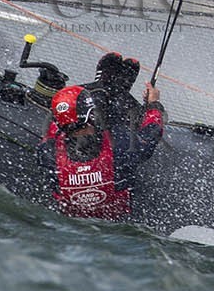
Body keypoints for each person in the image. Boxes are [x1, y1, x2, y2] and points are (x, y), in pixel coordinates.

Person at [37, 82, 164, 220]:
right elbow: (151, 134)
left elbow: (56, 130)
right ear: (90, 115)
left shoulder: (47, 153)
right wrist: (153, 105)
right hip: (119, 222)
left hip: (72, 224)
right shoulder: (123, 145)